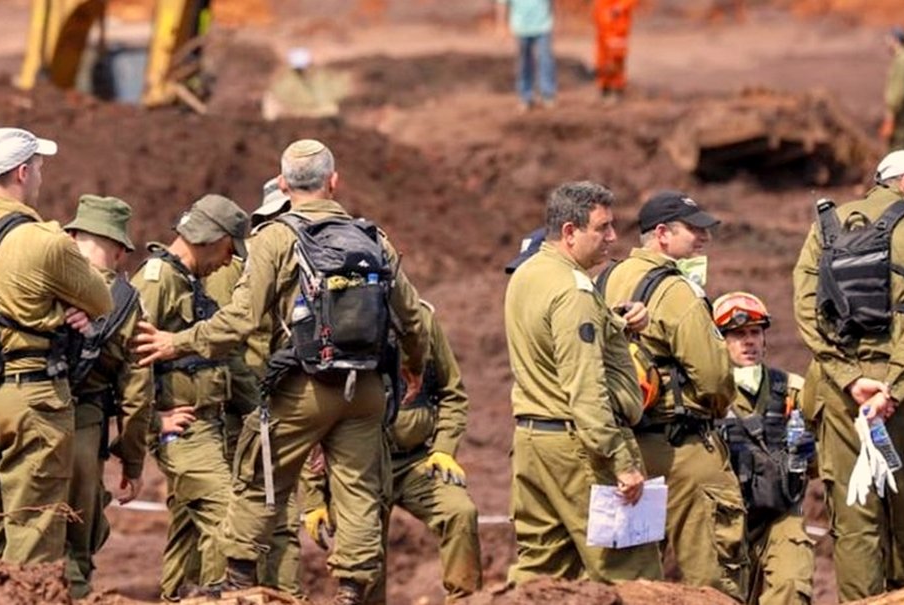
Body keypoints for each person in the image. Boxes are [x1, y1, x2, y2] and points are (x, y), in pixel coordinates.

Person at [132, 139, 431, 605]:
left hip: (305, 385)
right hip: (367, 387)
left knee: (260, 475)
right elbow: (411, 316)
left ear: (285, 185)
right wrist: (413, 366)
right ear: (335, 181)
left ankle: (237, 581)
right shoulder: (373, 238)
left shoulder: (275, 237)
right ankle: (351, 590)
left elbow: (242, 319)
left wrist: (178, 342)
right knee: (358, 490)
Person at [792, 149, 904, 599]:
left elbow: (807, 313)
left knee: (853, 523)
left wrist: (848, 377)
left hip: (840, 395)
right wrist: (896, 389)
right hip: (903, 397)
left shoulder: (824, 227)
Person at [0, 127, 112, 564]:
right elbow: (101, 299)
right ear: (22, 172)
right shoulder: (44, 240)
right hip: (31, 399)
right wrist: (63, 305)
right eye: (39, 167)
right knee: (33, 538)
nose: (41, 176)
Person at [504, 181, 661, 584]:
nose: (612, 237)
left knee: (540, 576)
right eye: (602, 228)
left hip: (533, 442)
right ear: (570, 232)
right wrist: (621, 461)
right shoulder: (573, 293)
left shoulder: (527, 274)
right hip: (579, 449)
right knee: (628, 570)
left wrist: (617, 325)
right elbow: (585, 386)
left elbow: (553, 349)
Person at [598, 191, 744, 600]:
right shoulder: (676, 290)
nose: (705, 238)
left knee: (629, 580)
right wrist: (715, 407)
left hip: (623, 453)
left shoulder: (603, 280)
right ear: (662, 234)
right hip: (684, 449)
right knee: (714, 577)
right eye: (694, 229)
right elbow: (714, 377)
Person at [302, 300, 482, 601]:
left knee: (460, 513)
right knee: (362, 555)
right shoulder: (332, 322)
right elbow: (314, 417)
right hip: (360, 467)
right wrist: (313, 498)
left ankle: (466, 599)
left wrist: (444, 450)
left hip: (418, 462)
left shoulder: (421, 320)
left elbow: (452, 392)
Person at [131, 193, 250, 598]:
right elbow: (128, 360)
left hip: (206, 427)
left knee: (187, 529)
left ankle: (176, 595)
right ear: (212, 239)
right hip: (183, 431)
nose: (228, 261)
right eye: (229, 249)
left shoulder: (185, 280)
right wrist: (153, 421)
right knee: (227, 516)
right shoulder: (158, 279)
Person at [61, 195, 153, 598]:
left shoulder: (43, 280)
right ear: (118, 251)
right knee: (77, 547)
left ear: (73, 236)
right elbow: (137, 395)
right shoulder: (127, 303)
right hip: (84, 428)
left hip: (24, 419)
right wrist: (132, 463)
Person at [711, 292, 815, 605]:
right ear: (719, 341)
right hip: (725, 524)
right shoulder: (705, 396)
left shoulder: (793, 389)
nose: (748, 342)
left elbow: (822, 461)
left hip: (780, 514)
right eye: (738, 334)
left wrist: (810, 451)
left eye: (755, 333)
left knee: (792, 585)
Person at [495, 0, 556, 112]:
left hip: (543, 25)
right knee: (524, 63)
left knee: (545, 60)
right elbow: (502, 3)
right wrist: (501, 25)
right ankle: (525, 96)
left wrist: (554, 20)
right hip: (521, 27)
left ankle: (547, 94)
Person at [261, 47, 348, 122]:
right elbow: (280, 96)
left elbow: (329, 97)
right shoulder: (286, 78)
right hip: (291, 111)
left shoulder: (319, 77)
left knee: (330, 109)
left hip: (313, 111)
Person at [881, 26, 904, 150]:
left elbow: (900, 91)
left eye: (889, 39)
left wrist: (891, 114)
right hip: (903, 112)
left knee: (898, 150)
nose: (887, 43)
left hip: (899, 114)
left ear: (896, 40)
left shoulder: (903, 60)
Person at [593, 0, 637, 102]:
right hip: (602, 24)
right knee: (602, 58)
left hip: (617, 24)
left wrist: (619, 7)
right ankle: (604, 87)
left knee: (617, 56)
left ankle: (618, 87)